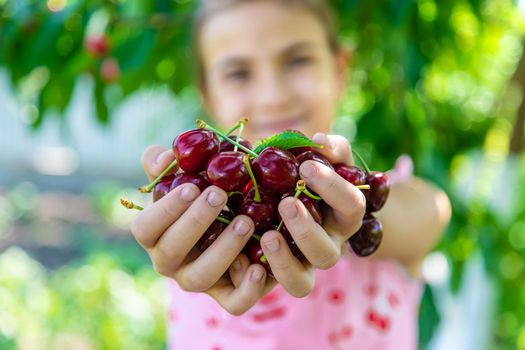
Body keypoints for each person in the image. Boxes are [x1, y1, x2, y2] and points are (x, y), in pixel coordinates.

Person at [130, 1, 452, 348]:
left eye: (298, 60)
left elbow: (429, 212)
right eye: (238, 73)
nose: (273, 97)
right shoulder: (200, 222)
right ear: (206, 93)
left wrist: (342, 210)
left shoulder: (380, 201)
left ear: (339, 70)